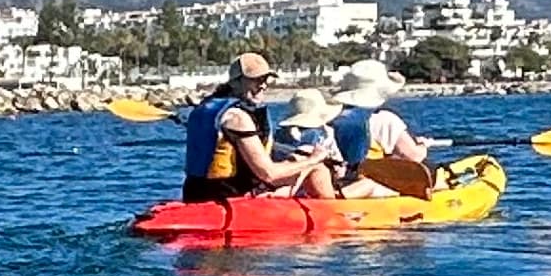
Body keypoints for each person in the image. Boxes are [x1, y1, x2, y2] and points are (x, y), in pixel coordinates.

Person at [177, 52, 339, 205]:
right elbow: (268, 174)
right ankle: (334, 218)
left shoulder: (208, 108)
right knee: (317, 169)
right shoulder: (238, 118)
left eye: (265, 79)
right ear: (235, 82)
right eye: (255, 79)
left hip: (195, 192)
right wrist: (315, 159)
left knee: (300, 161)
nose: (263, 85)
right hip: (230, 195)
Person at [329, 58, 433, 192]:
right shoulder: (385, 119)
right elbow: (413, 156)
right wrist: (423, 146)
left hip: (336, 184)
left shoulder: (330, 116)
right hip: (368, 187)